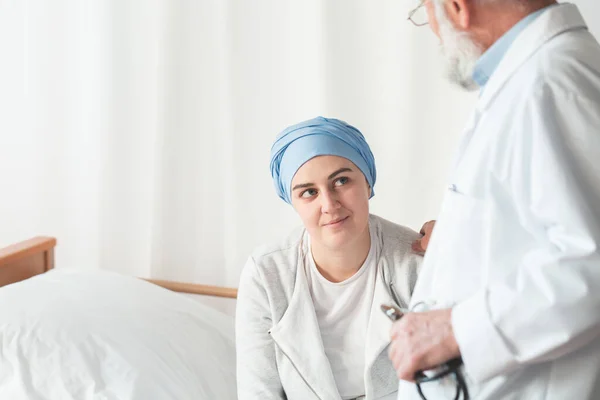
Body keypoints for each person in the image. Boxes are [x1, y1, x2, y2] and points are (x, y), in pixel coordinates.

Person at [388, 1, 600, 399]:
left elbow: (590, 263)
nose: (432, 30)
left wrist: (453, 329)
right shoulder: (534, 79)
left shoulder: (550, 81)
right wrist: (459, 240)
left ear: (457, 8)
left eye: (426, 13)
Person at [236, 116, 423, 400]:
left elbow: (444, 384)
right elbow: (258, 391)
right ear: (293, 202)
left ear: (368, 184)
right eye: (309, 192)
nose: (329, 204)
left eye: (341, 181)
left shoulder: (416, 261)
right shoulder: (266, 274)